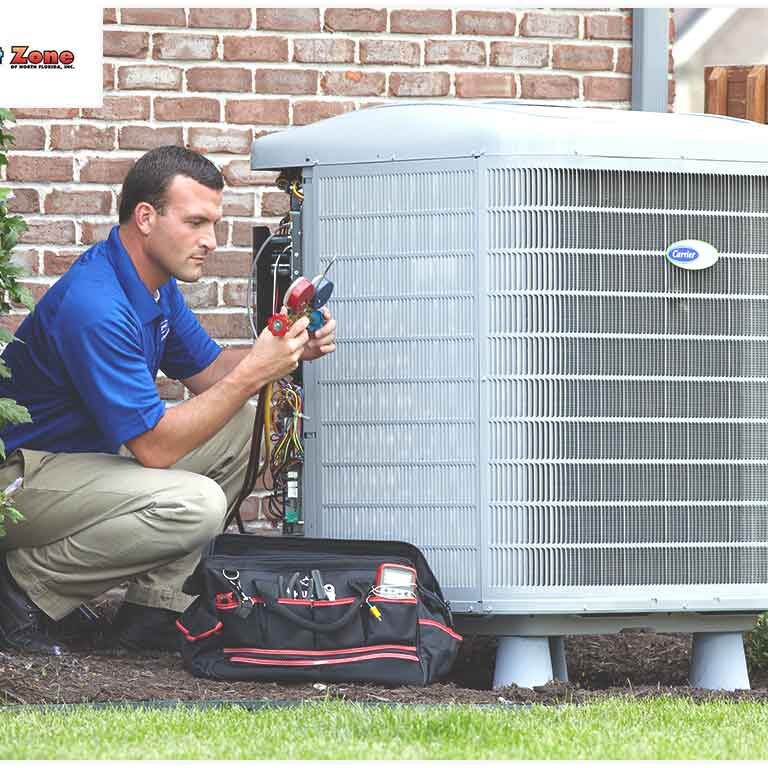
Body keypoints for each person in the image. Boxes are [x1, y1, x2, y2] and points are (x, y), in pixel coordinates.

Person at [0, 145, 336, 654]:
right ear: (146, 218)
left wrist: (288, 349)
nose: (210, 241)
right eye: (196, 222)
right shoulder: (97, 304)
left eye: (214, 224)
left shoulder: (152, 285)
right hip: (21, 479)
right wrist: (254, 372)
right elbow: (154, 450)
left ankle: (152, 613)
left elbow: (209, 375)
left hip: (80, 464)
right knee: (193, 504)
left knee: (252, 423)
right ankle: (21, 590)